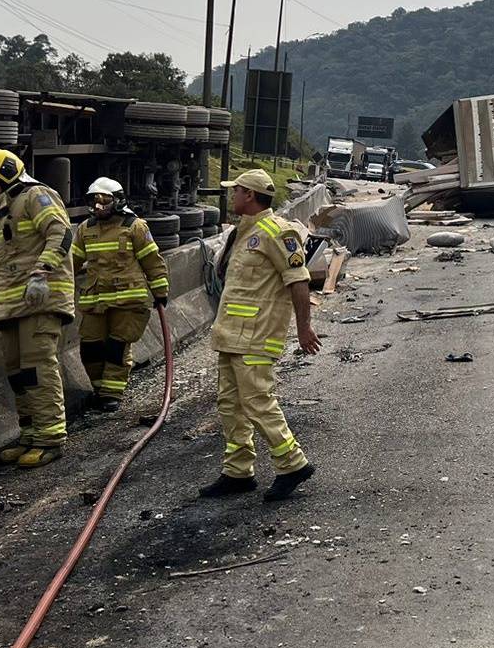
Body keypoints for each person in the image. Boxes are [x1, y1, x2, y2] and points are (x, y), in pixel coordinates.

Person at [199, 168, 320, 502]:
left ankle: (293, 463)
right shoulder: (241, 233)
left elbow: (298, 280)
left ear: (249, 195)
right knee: (230, 404)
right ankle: (238, 471)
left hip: (257, 334)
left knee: (257, 402)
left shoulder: (276, 232)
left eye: (235, 191)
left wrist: (303, 327)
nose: (231, 196)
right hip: (230, 336)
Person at [0, 149, 75, 468]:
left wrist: (42, 271)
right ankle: (30, 434)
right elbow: (6, 272)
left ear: (5, 176)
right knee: (18, 373)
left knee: (38, 367)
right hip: (13, 307)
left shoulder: (36, 196)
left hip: (40, 303)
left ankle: (50, 439)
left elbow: (61, 233)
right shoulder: (6, 213)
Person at [71, 178, 169, 412]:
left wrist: (160, 291)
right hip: (95, 301)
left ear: (118, 201)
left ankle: (110, 395)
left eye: (104, 201)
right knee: (90, 348)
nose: (98, 206)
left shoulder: (135, 227)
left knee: (117, 348)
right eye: (93, 201)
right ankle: (99, 389)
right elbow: (71, 263)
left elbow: (152, 262)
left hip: (128, 301)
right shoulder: (86, 229)